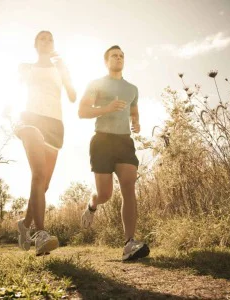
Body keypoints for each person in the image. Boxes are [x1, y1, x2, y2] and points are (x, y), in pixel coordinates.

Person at [78, 45, 150, 261]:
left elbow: (134, 112)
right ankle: (92, 204)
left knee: (129, 186)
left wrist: (136, 123)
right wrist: (106, 109)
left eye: (121, 56)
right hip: (102, 141)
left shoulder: (132, 89)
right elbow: (82, 111)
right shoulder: (96, 84)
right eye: (114, 56)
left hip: (124, 141)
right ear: (106, 61)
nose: (118, 58)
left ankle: (129, 243)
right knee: (105, 195)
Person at [15, 30, 76, 256]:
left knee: (44, 184)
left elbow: (71, 96)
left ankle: (25, 223)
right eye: (42, 37)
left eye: (50, 38)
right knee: (38, 175)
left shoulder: (60, 69)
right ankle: (40, 234)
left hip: (54, 125)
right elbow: (16, 89)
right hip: (30, 119)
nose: (47, 41)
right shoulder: (26, 67)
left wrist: (65, 72)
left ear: (54, 44)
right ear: (35, 44)